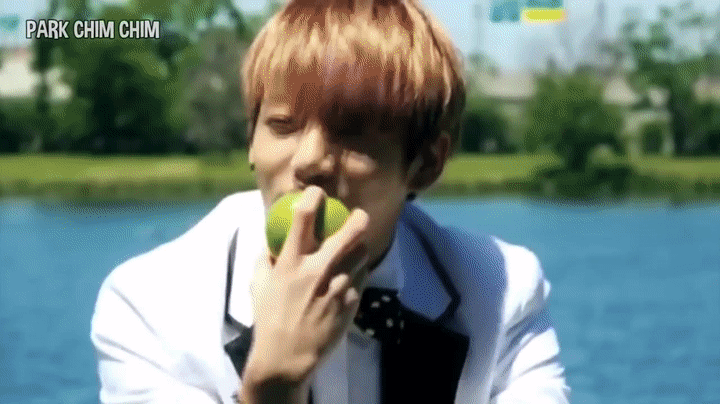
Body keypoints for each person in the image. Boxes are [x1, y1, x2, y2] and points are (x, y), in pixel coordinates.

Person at [90, 0, 571, 403]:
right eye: (282, 125)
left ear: (426, 163)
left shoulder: (502, 292)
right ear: (251, 141)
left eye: (351, 133)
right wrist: (272, 386)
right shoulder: (149, 306)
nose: (309, 161)